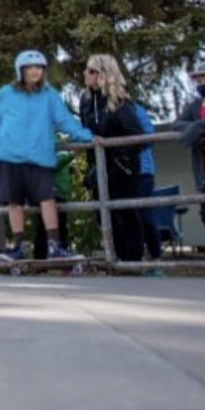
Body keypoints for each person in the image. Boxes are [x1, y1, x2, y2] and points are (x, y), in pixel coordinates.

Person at [0, 50, 91, 263]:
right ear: (21, 71)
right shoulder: (5, 93)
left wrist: (87, 136)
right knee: (14, 203)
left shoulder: (49, 95)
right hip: (10, 157)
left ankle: (54, 246)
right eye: (30, 67)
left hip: (39, 157)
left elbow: (65, 120)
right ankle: (18, 247)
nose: (35, 71)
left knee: (47, 200)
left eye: (39, 67)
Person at [79, 55, 146, 263]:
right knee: (103, 214)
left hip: (121, 169)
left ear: (103, 74)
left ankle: (133, 262)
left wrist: (116, 155)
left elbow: (137, 136)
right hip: (98, 169)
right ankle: (115, 259)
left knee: (126, 214)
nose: (86, 74)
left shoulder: (120, 101)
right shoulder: (86, 102)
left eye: (91, 71)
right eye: (86, 70)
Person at [174, 60, 205, 244]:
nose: (204, 83)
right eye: (200, 80)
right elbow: (177, 124)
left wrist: (198, 127)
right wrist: (197, 128)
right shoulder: (195, 106)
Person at [133, 102, 163, 263]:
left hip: (143, 171)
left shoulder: (135, 109)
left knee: (145, 215)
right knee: (126, 216)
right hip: (120, 173)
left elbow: (150, 137)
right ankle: (135, 258)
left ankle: (155, 256)